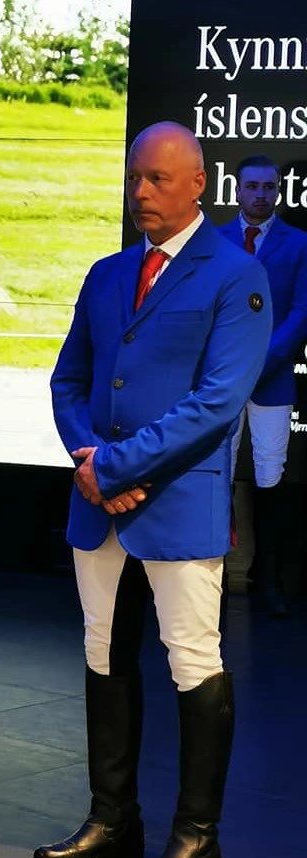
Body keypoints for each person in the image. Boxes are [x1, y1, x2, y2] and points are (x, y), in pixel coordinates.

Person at [31, 121, 273, 858]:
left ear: (198, 183)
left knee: (191, 659)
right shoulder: (107, 273)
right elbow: (68, 381)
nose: (140, 191)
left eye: (158, 179)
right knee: (103, 651)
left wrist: (113, 467)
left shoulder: (236, 276)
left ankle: (197, 837)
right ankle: (112, 819)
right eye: (134, 176)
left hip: (177, 502)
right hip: (98, 500)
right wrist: (88, 459)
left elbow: (216, 403)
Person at [219, 155, 307, 618]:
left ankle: (267, 579)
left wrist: (264, 360)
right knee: (218, 473)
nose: (260, 194)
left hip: (272, 380)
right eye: (252, 186)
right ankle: (212, 577)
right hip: (222, 380)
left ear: (278, 190)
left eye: (268, 187)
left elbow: (302, 312)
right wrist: (232, 363)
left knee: (271, 478)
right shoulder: (214, 240)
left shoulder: (300, 244)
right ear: (237, 190)